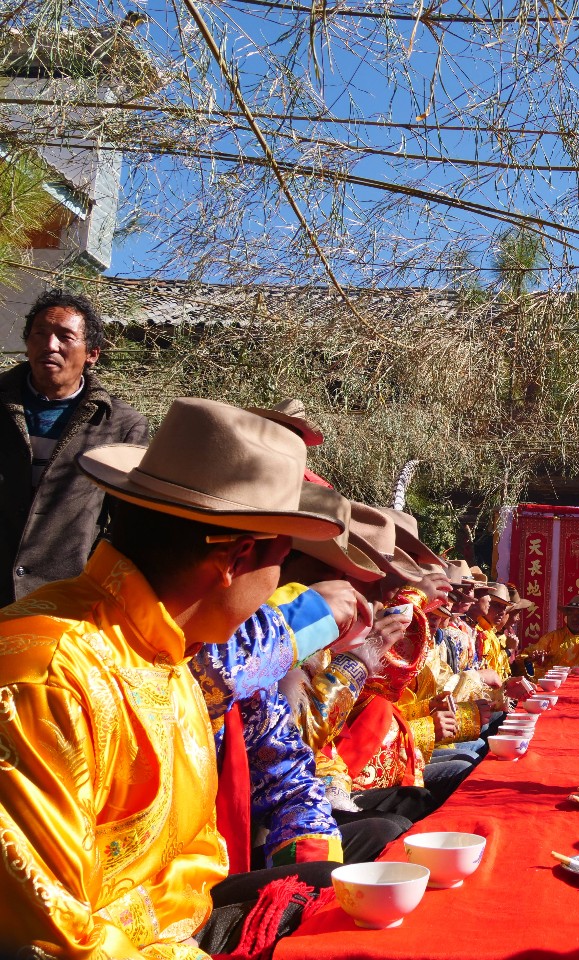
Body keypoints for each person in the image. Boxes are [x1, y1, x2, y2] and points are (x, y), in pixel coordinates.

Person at [0, 397, 344, 957]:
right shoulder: (45, 676)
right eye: (282, 562)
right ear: (238, 557)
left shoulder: (170, 652)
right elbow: (52, 939)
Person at [0, 289, 148, 605]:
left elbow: (128, 524)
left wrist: (92, 580)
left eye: (65, 337)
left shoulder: (120, 425)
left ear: (92, 353)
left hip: (62, 601)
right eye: (39, 333)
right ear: (27, 344)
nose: (49, 345)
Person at [517, 593, 579, 671]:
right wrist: (531, 660)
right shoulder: (552, 638)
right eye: (571, 614)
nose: (575, 618)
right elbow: (522, 659)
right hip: (555, 686)